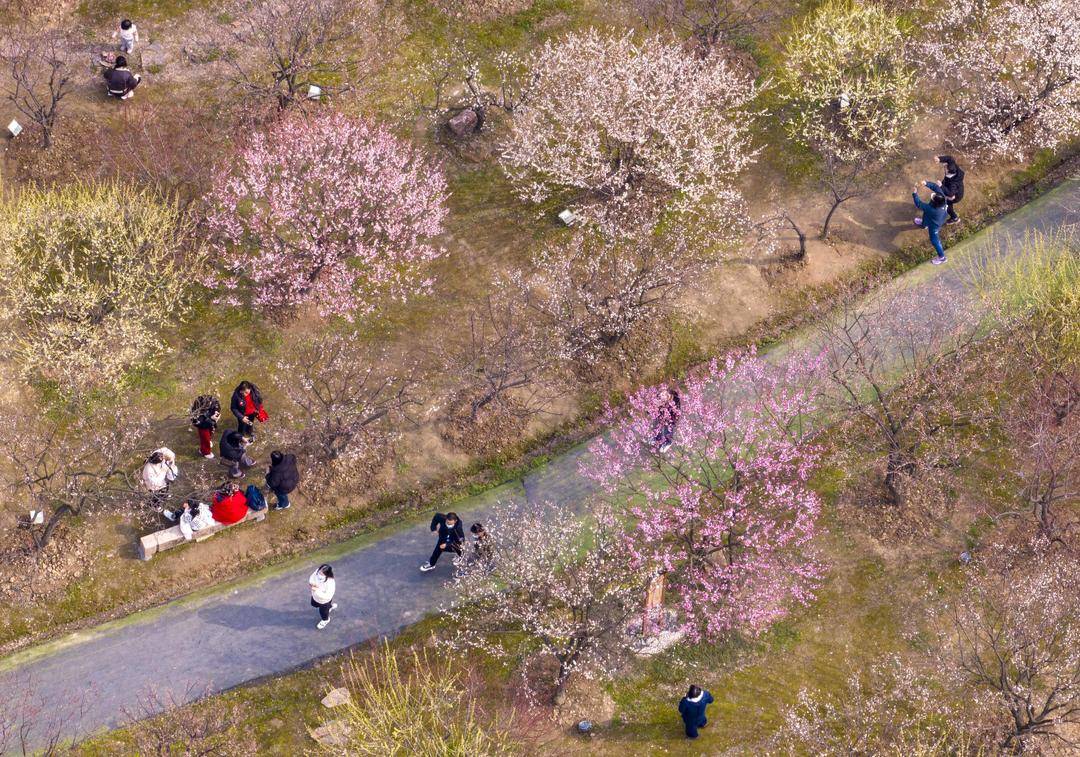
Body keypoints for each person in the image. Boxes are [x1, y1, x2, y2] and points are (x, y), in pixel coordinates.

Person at [912, 186, 949, 265]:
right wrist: (926, 183)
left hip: (935, 225)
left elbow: (919, 204)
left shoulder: (931, 209)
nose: (932, 197)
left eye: (933, 198)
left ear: (935, 203)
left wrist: (915, 194)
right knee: (926, 216)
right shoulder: (943, 199)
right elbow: (937, 188)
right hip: (938, 217)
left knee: (934, 240)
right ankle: (924, 225)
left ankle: (942, 257)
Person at [925, 155, 965, 225]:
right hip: (951, 187)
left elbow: (950, 194)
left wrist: (941, 186)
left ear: (949, 172)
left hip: (955, 196)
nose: (944, 165)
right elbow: (950, 158)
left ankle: (954, 218)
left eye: (945, 167)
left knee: (948, 205)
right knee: (943, 197)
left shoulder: (953, 184)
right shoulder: (954, 167)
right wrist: (939, 159)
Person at [140, 447, 178, 511]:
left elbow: (166, 450)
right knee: (157, 494)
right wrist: (164, 481)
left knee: (165, 489)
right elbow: (152, 483)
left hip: (162, 479)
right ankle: (154, 504)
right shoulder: (149, 469)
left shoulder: (160, 454)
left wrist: (170, 458)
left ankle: (164, 494)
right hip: (155, 484)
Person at [190, 395, 221, 459]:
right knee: (205, 438)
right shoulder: (196, 411)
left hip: (210, 422)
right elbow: (197, 421)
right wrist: (210, 418)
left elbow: (217, 408)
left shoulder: (214, 402)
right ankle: (205, 452)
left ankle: (208, 442)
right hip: (203, 425)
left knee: (210, 433)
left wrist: (216, 415)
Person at [309, 564, 337, 630]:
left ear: (327, 574)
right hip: (315, 596)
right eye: (319, 572)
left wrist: (316, 590)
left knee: (323, 612)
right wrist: (312, 583)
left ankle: (325, 620)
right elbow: (312, 578)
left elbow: (327, 595)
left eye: (322, 574)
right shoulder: (317, 572)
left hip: (324, 601)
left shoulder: (330, 582)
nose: (319, 574)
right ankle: (329, 607)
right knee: (313, 604)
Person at [654, 387, 682, 453]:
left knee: (668, 429)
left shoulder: (674, 399)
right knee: (657, 426)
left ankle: (668, 442)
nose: (663, 396)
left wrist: (665, 405)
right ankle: (657, 438)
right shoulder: (659, 398)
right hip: (662, 416)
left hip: (671, 417)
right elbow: (654, 407)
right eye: (662, 395)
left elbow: (675, 410)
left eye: (665, 395)